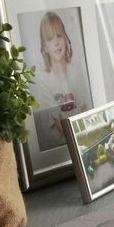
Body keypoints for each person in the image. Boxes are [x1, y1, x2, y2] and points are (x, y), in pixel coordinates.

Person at [32, 11, 92, 151]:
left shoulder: (77, 73)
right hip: (59, 148)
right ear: (45, 47)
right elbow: (60, 126)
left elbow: (85, 112)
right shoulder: (43, 81)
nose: (57, 42)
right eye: (50, 38)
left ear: (65, 38)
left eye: (59, 36)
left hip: (82, 141)